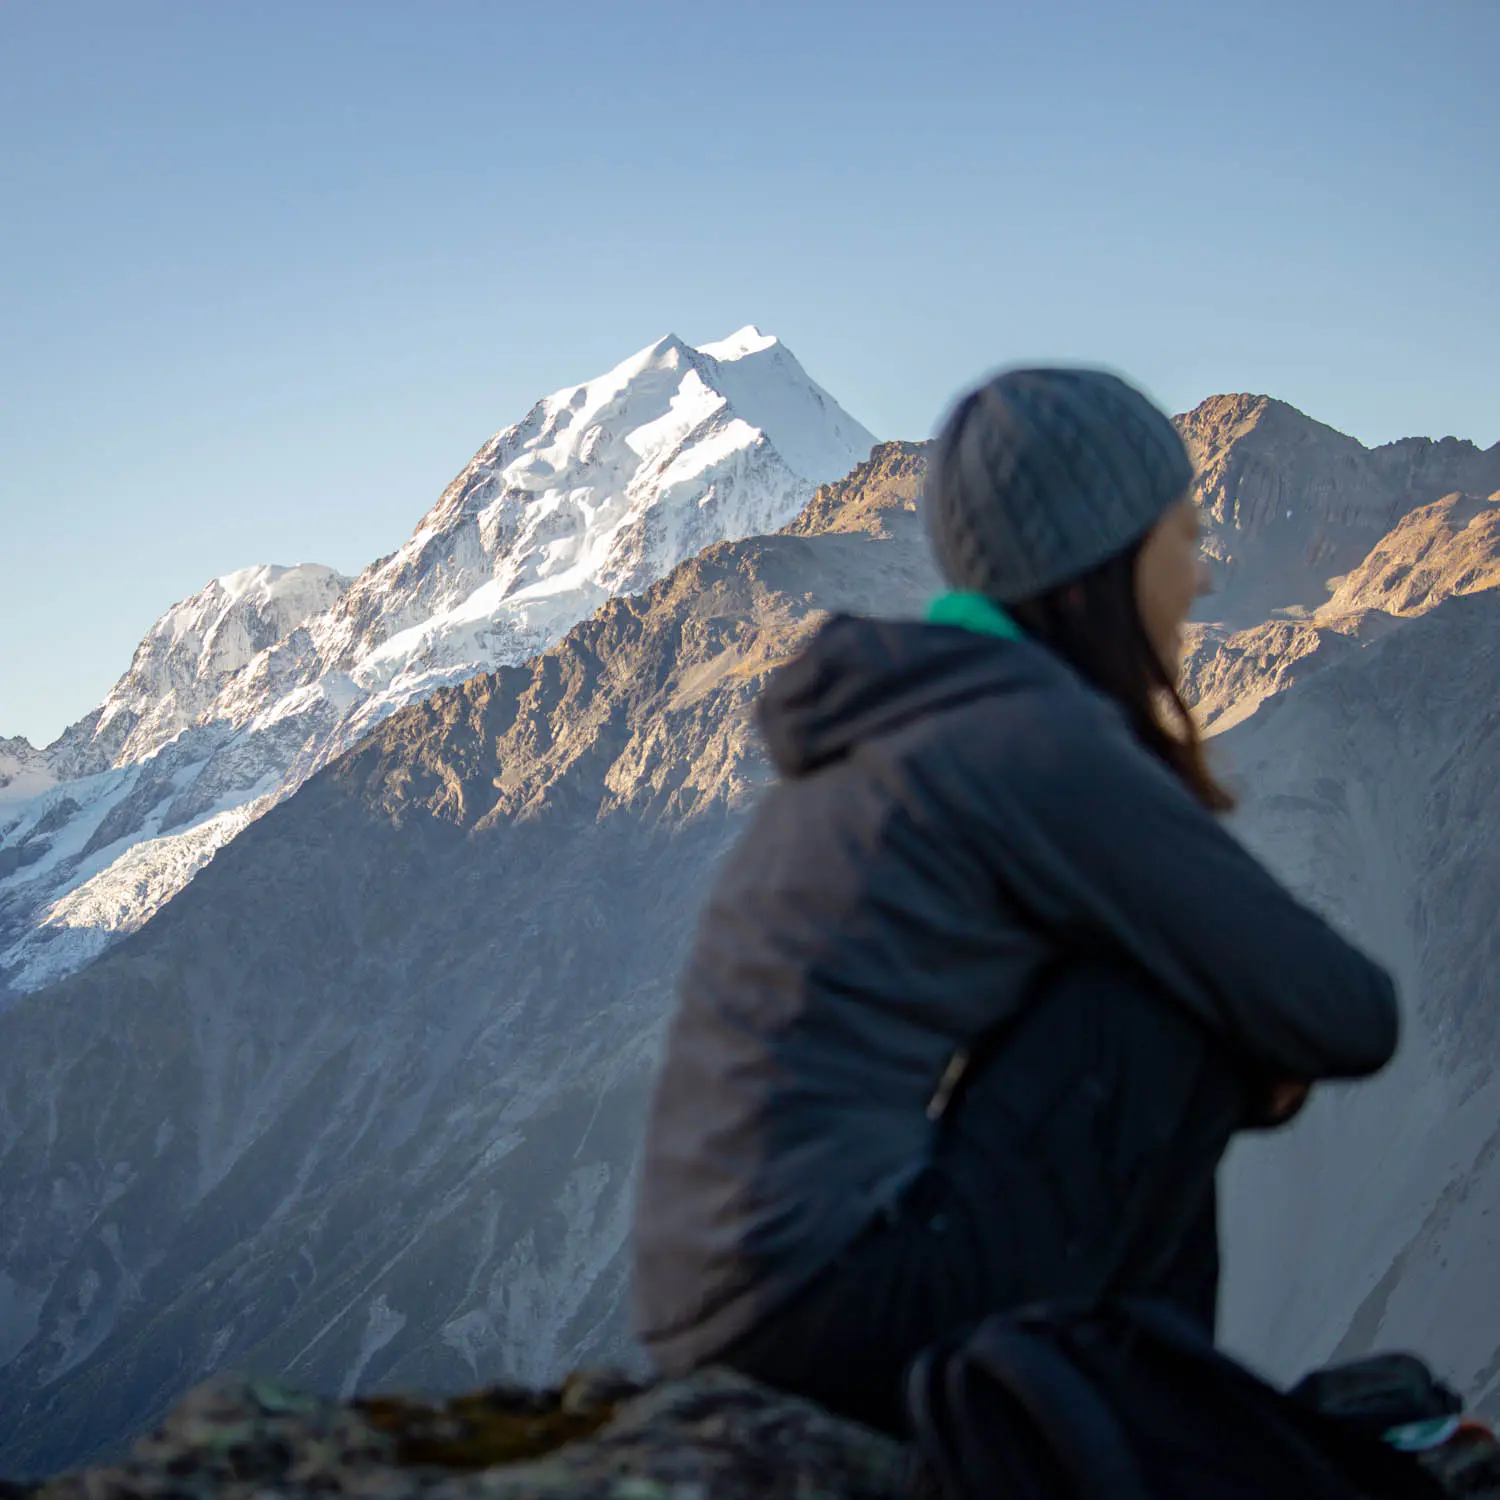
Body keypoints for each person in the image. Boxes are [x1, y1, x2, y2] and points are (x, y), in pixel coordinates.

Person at [629, 366, 1399, 1437]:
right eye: (1186, 535)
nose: (1207, 577)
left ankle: (1145, 1415)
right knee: (1154, 1003)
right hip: (826, 1309)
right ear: (1105, 563)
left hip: (718, 1313)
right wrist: (1232, 1033)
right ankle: (1152, 1433)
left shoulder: (925, 720)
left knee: (1148, 982)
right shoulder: (1033, 742)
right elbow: (1349, 1013)